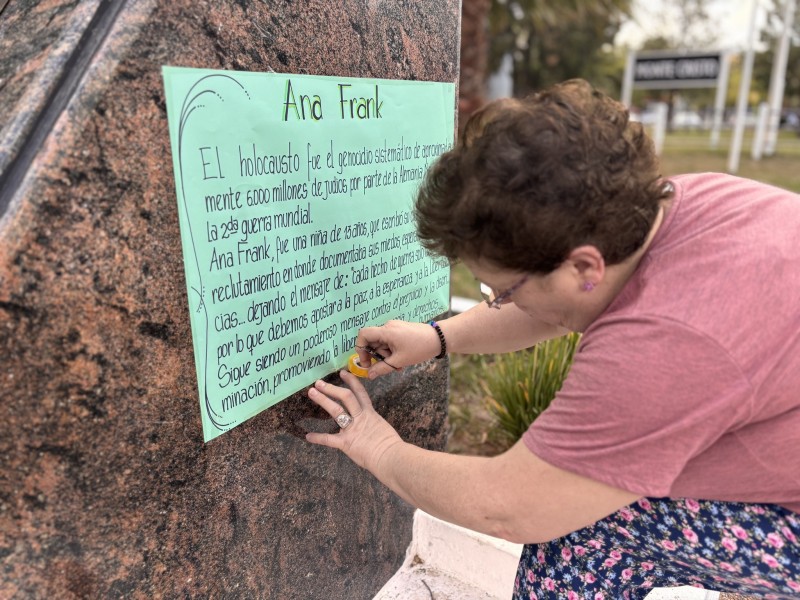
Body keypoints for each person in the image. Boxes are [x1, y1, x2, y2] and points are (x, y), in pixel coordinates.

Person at [305, 79, 800, 599]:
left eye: (502, 289)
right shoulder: (673, 207)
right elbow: (563, 301)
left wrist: (377, 447)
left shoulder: (660, 350)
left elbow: (511, 506)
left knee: (587, 524)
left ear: (584, 263)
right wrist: (438, 337)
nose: (498, 301)